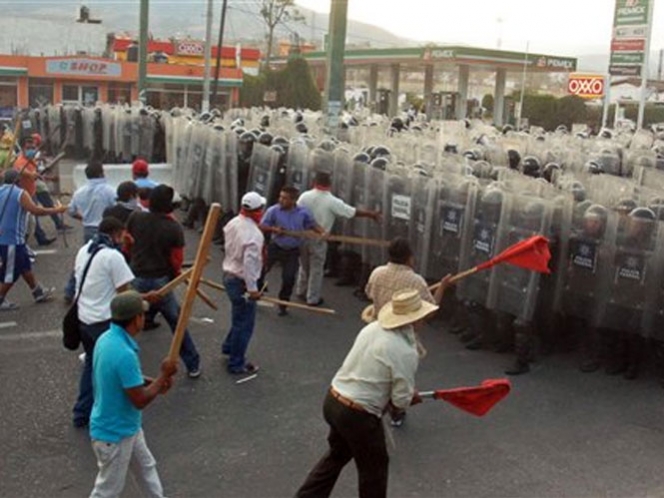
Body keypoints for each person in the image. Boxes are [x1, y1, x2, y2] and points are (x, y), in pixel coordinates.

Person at [295, 289, 439, 498]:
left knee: (337, 456)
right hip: (358, 415)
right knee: (374, 471)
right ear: (415, 319)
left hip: (334, 400)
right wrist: (408, 398)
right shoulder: (405, 351)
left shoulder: (372, 328)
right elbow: (400, 401)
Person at [88, 291, 177, 498]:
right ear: (136, 319)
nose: (144, 319)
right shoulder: (124, 353)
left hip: (127, 427)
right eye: (142, 315)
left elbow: (126, 379)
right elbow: (139, 400)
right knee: (107, 491)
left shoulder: (106, 339)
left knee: (146, 469)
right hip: (115, 433)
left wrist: (156, 382)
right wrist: (163, 375)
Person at [72, 217, 158, 428]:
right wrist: (146, 297)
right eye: (123, 235)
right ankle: (111, 413)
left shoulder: (85, 250)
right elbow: (125, 295)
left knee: (93, 364)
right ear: (117, 234)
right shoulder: (113, 256)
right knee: (119, 365)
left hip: (84, 318)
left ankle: (82, 412)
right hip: (104, 321)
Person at [127, 185, 202, 378]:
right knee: (177, 322)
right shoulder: (172, 227)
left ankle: (117, 363)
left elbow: (127, 243)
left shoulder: (136, 218)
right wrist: (176, 273)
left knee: (125, 320)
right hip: (161, 281)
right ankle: (192, 363)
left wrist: (132, 258)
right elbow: (176, 259)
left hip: (136, 276)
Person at [296, 171, 380, 307]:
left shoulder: (304, 196)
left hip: (303, 235)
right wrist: (371, 214)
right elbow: (351, 212)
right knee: (316, 269)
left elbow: (297, 212)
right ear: (329, 185)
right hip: (320, 238)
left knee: (304, 265)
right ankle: (312, 298)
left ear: (314, 183)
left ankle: (301, 291)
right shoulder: (332, 201)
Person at [0, 169, 66, 310]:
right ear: (18, 181)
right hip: (12, 240)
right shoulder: (20, 193)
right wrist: (56, 210)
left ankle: (37, 291)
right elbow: (36, 210)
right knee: (11, 273)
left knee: (25, 266)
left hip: (7, 238)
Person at [260, 186, 324, 316]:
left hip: (293, 250)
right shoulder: (273, 210)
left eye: (285, 198)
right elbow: (262, 225)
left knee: (289, 278)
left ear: (293, 200)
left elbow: (313, 225)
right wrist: (274, 229)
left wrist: (323, 233)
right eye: (280, 197)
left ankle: (283, 304)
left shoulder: (303, 213)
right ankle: (256, 290)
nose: (281, 200)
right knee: (261, 269)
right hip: (276, 246)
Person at [222, 191, 265, 374]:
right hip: (241, 281)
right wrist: (253, 289)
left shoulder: (232, 223)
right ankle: (236, 362)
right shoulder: (254, 234)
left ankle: (229, 347)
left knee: (238, 317)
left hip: (229, 275)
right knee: (244, 324)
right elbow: (249, 264)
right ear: (258, 211)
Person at [64, 160, 117, 303]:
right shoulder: (109, 190)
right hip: (105, 229)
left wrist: (82, 217)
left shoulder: (80, 191)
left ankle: (70, 289)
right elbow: (118, 207)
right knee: (110, 260)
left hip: (88, 228)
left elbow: (70, 210)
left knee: (85, 259)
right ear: (101, 173)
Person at [365, 237, 452, 317]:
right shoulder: (417, 281)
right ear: (409, 257)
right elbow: (431, 310)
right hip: (403, 331)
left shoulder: (376, 273)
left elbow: (369, 293)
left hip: (378, 325)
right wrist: (442, 287)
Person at [12, 135, 56, 246]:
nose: (31, 150)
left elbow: (36, 174)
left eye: (32, 148)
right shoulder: (20, 162)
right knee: (29, 218)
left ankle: (40, 237)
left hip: (31, 192)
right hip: (22, 195)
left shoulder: (30, 161)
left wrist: (47, 177)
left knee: (33, 218)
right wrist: (34, 174)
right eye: (28, 148)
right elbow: (25, 173)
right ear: (22, 149)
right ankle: (25, 240)